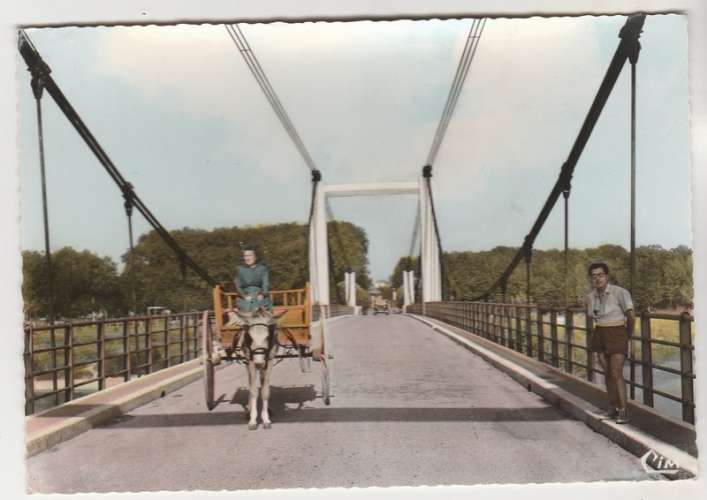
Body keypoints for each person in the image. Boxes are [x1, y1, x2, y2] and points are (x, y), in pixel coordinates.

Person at [585, 261, 635, 424]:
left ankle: (624, 411)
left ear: (607, 276)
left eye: (600, 275)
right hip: (600, 332)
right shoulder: (590, 297)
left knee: (616, 373)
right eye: (594, 276)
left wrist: (628, 335)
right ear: (590, 279)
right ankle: (613, 407)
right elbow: (593, 317)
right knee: (607, 374)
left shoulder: (619, 292)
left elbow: (631, 315)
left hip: (618, 332)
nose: (597, 279)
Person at [234, 246, 272, 312]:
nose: (247, 258)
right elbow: (238, 285)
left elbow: (265, 284)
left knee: (263, 307)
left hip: (260, 294)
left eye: (250, 255)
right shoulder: (239, 269)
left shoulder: (262, 269)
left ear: (255, 257)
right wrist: (244, 296)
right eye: (245, 256)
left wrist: (262, 294)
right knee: (246, 306)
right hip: (245, 296)